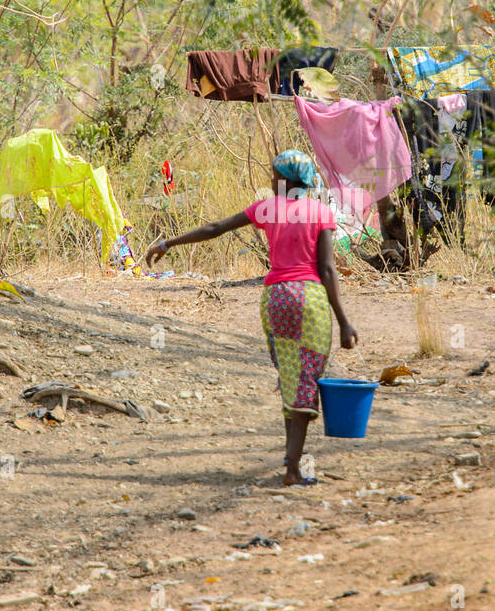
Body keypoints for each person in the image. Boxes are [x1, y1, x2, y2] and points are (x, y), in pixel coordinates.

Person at [144, 150, 359, 486]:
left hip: (275, 300)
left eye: (274, 176)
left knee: (291, 374)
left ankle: (291, 461)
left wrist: (168, 243)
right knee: (305, 378)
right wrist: (344, 321)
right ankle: (292, 470)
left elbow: (216, 228)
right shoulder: (320, 212)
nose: (271, 181)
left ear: (286, 179)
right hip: (310, 301)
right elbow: (328, 270)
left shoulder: (267, 209)